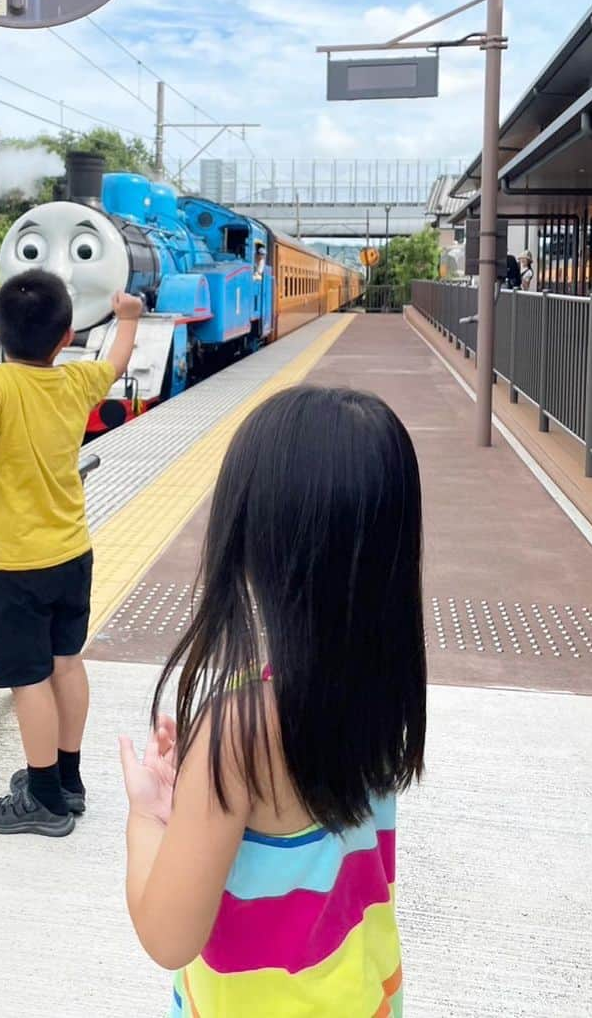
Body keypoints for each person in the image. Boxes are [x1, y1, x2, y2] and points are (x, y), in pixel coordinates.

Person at [120, 387, 426, 1015]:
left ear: (258, 542)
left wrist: (148, 815)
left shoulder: (239, 732)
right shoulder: (379, 683)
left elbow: (168, 935)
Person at [0, 269, 142, 837]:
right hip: (72, 551)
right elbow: (118, 363)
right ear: (67, 334)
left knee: (29, 679)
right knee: (67, 664)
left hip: (16, 564)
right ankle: (68, 781)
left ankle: (43, 799)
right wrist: (128, 318)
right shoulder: (74, 382)